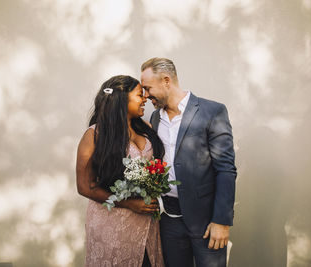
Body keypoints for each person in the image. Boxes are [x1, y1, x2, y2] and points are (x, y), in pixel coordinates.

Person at [141, 58, 237, 267]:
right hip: (168, 220)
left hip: (206, 221)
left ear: (166, 81)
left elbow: (226, 169)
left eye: (148, 89)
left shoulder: (212, 111)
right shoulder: (155, 118)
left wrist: (222, 221)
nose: (146, 96)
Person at [76, 75, 166, 267]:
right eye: (139, 95)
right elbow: (84, 187)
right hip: (111, 221)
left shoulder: (147, 129)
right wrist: (130, 203)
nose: (145, 99)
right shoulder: (95, 135)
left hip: (146, 221)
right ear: (121, 99)